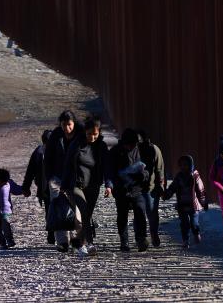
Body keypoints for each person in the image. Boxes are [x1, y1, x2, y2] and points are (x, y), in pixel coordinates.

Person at [62, 116, 109, 256]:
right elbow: (68, 165)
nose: (92, 137)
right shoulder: (76, 145)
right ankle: (90, 243)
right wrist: (64, 185)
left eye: (95, 134)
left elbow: (107, 167)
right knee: (84, 211)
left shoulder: (102, 146)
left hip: (94, 185)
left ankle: (79, 244)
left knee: (87, 216)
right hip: (77, 185)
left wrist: (109, 185)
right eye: (89, 134)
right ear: (84, 132)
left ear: (99, 132)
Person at [105, 128, 150, 252]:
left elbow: (148, 169)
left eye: (133, 144)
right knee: (122, 215)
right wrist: (109, 185)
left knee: (140, 211)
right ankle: (124, 241)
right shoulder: (114, 152)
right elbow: (109, 171)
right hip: (121, 189)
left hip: (137, 188)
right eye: (128, 144)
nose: (131, 147)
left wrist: (143, 175)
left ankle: (141, 238)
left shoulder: (140, 150)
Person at [43, 110, 79, 251]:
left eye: (69, 124)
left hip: (75, 178)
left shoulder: (80, 135)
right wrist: (49, 177)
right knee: (59, 208)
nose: (66, 128)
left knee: (75, 207)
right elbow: (48, 157)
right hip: (57, 178)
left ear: (74, 123)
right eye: (64, 125)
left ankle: (77, 239)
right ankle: (63, 242)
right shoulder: (56, 136)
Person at [162, 155, 207, 248]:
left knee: (194, 223)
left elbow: (200, 190)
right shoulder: (179, 177)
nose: (184, 167)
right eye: (182, 165)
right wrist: (167, 194)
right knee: (184, 223)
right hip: (182, 204)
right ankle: (185, 240)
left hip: (193, 204)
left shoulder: (195, 176)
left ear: (191, 165)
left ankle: (196, 233)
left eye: (186, 165)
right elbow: (173, 187)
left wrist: (203, 202)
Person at [22, 129, 53, 244]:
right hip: (55, 187)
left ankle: (51, 234)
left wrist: (26, 187)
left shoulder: (38, 151)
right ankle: (57, 234)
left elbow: (30, 171)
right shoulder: (59, 149)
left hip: (44, 188)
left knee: (49, 210)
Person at [136, 129, 166, 247]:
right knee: (139, 214)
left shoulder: (154, 149)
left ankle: (154, 233)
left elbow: (160, 169)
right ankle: (140, 238)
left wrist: (161, 186)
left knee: (152, 213)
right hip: (136, 188)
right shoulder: (131, 149)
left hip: (151, 187)